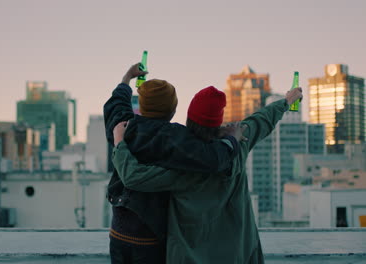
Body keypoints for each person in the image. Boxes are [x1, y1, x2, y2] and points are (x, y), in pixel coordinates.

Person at [112, 86, 303, 263]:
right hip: (237, 252)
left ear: (188, 120)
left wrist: (119, 142)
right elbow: (261, 120)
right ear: (218, 121)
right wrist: (285, 102)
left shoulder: (181, 166)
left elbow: (134, 176)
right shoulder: (239, 141)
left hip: (190, 256)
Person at [104, 63, 246, 263]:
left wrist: (127, 77)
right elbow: (213, 159)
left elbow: (116, 104)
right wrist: (232, 138)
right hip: (151, 237)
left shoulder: (123, 127)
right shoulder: (175, 137)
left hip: (118, 233)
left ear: (142, 106)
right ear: (172, 110)